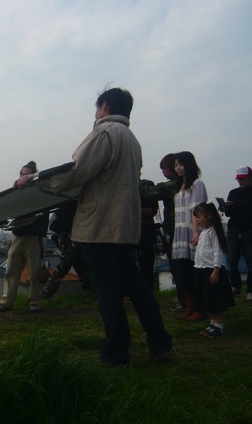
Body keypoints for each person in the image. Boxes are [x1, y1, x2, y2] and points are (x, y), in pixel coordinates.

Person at [16, 87, 172, 367]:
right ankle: (160, 344)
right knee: (136, 285)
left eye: (97, 107)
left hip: (101, 224)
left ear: (105, 106)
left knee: (107, 289)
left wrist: (37, 181)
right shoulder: (131, 139)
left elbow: (76, 172)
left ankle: (116, 354)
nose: (96, 112)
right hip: (125, 226)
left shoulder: (104, 133)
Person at [0, 161, 49, 313]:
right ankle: (7, 301)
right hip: (18, 237)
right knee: (11, 270)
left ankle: (35, 301)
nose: (23, 177)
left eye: (27, 175)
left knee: (35, 272)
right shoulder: (17, 193)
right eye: (22, 174)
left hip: (33, 237)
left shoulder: (40, 192)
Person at [219, 166, 252, 300]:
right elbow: (230, 213)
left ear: (250, 178)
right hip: (233, 230)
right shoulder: (233, 192)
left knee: (251, 263)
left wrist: (237, 206)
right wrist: (224, 208)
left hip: (248, 231)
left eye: (243, 179)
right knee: (231, 262)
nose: (240, 181)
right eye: (239, 179)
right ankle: (236, 286)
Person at [171, 151, 208, 321]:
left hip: (191, 230)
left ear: (189, 164)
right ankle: (190, 305)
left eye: (181, 164)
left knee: (195, 270)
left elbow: (196, 210)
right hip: (179, 232)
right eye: (175, 165)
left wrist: (195, 232)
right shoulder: (179, 186)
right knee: (183, 270)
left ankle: (200, 307)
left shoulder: (197, 184)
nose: (178, 168)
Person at [192, 202, 234, 337]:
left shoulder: (214, 231)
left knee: (216, 301)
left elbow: (218, 252)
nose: (197, 220)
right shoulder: (204, 231)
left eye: (199, 217)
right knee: (208, 300)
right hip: (202, 269)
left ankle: (219, 325)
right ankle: (213, 323)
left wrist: (216, 270)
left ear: (209, 216)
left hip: (212, 270)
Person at [42, 200, 90, 299]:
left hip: (71, 234)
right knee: (65, 265)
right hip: (69, 235)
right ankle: (46, 293)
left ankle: (87, 290)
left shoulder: (68, 200)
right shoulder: (71, 201)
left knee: (80, 264)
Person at [155, 154, 182, 308]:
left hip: (175, 231)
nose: (163, 172)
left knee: (178, 267)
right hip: (177, 230)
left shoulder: (172, 185)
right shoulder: (183, 183)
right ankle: (185, 300)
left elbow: (149, 192)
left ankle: (184, 300)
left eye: (164, 168)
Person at [138, 178, 159, 290]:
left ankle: (147, 290)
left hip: (146, 230)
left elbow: (153, 210)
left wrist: (135, 209)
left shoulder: (147, 185)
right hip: (129, 230)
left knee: (146, 263)